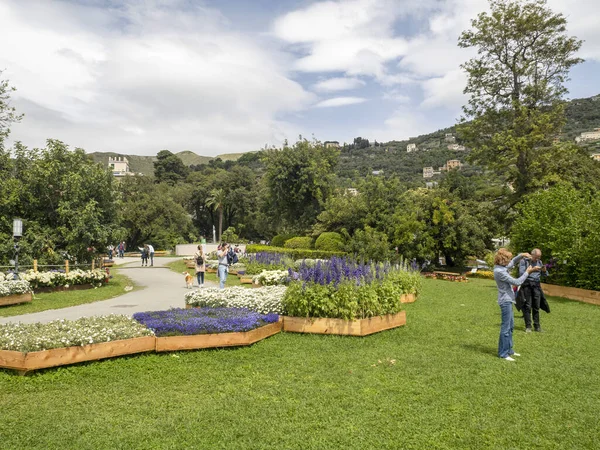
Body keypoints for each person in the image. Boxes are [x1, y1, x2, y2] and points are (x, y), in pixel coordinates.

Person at [493, 248, 540, 361]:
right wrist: (527, 272)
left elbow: (513, 262)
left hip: (508, 300)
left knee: (510, 327)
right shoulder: (500, 271)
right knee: (506, 328)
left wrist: (521, 255)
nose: (509, 261)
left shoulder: (501, 267)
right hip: (505, 301)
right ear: (503, 260)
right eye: (507, 259)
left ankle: (509, 350)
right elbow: (517, 282)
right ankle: (503, 353)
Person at [519, 248, 548, 333]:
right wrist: (532, 270)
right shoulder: (524, 261)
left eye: (539, 257)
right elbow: (521, 273)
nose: (538, 259)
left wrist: (544, 271)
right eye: (536, 257)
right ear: (532, 255)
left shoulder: (540, 262)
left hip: (536, 286)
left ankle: (537, 326)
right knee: (527, 306)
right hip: (527, 285)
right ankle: (528, 326)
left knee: (536, 306)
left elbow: (544, 275)